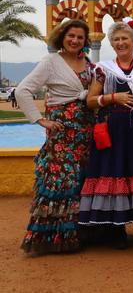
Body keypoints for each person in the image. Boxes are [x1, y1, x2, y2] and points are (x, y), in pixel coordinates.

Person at [15, 19, 94, 253]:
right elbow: (23, 90)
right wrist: (40, 120)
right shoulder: (51, 61)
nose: (75, 40)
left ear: (85, 40)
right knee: (63, 180)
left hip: (85, 130)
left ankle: (80, 232)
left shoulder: (88, 62)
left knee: (81, 177)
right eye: (71, 35)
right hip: (62, 132)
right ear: (62, 36)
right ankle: (56, 238)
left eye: (80, 37)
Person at [78, 20, 133, 248]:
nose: (121, 43)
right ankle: (117, 228)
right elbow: (91, 101)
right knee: (115, 172)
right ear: (112, 44)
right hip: (113, 130)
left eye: (125, 38)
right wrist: (114, 98)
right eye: (116, 39)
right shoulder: (104, 69)